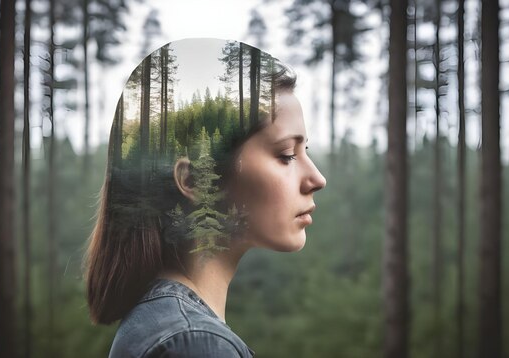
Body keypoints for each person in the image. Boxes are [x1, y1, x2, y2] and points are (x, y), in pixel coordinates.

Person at [84, 38, 327, 357]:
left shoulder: (167, 327)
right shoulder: (193, 343)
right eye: (285, 155)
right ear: (194, 179)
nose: (317, 179)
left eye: (303, 150)